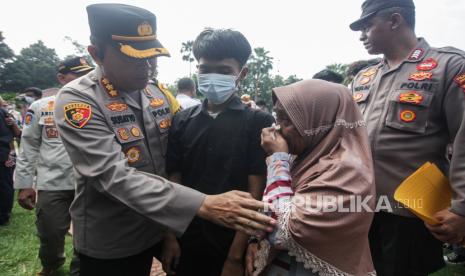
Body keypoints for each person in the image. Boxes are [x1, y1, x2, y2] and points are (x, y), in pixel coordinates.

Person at [54, 4, 275, 276]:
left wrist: (169, 233)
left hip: (165, 226)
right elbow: (111, 175)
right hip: (116, 234)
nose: (147, 67)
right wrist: (203, 204)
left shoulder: (156, 94)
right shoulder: (80, 100)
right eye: (133, 58)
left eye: (152, 56)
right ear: (97, 54)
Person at [349, 0, 465, 274]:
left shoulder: (448, 66)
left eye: (367, 26)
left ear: (395, 20)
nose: (362, 35)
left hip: (409, 215)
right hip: (360, 209)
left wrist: (461, 208)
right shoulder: (363, 77)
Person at [162, 28, 275, 276]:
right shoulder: (181, 120)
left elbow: (255, 190)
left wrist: (235, 257)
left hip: (232, 239)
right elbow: (174, 180)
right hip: (187, 235)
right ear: (197, 70)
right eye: (205, 69)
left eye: (224, 71)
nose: (213, 77)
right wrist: (170, 236)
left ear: (241, 74)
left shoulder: (257, 121)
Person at [245, 79, 375, 276]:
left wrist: (277, 160)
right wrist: (255, 240)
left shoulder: (347, 172)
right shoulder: (306, 156)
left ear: (319, 122)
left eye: (287, 121)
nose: (277, 129)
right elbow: (268, 205)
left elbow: (282, 232)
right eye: (277, 118)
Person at [14, 56, 94, 276]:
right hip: (52, 182)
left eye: (88, 74)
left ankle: (80, 269)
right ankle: (52, 262)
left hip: (90, 182)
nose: (85, 79)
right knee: (50, 230)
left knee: (88, 233)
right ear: (61, 77)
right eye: (78, 75)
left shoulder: (99, 105)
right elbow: (28, 146)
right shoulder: (41, 107)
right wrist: (25, 183)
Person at [0, 96, 21, 226]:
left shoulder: (4, 113)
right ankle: (4, 214)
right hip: (6, 152)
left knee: (4, 185)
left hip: (4, 153)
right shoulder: (5, 113)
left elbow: (16, 133)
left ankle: (3, 215)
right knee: (5, 184)